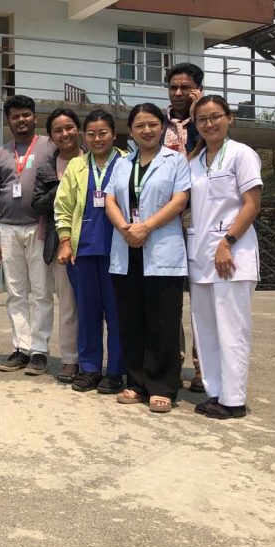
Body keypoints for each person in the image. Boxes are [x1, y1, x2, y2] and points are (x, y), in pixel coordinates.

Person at [104, 104, 191, 413]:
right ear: (131, 129)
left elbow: (180, 200)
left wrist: (146, 227)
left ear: (162, 127)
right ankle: (136, 382)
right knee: (131, 318)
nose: (147, 130)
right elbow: (110, 199)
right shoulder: (122, 163)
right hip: (126, 246)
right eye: (140, 125)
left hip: (160, 247)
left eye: (153, 124)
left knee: (163, 320)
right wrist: (126, 228)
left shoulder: (176, 160)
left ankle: (163, 385)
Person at [187, 96, 263, 419]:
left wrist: (227, 241)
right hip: (201, 256)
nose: (209, 124)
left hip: (232, 254)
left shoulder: (241, 154)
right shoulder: (194, 161)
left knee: (232, 329)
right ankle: (215, 392)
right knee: (205, 330)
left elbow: (251, 205)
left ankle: (234, 400)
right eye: (202, 119)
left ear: (229, 118)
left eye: (215, 117)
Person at [52, 109, 127, 394]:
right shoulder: (76, 166)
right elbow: (63, 205)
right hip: (82, 251)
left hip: (118, 251)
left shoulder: (125, 163)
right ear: (85, 136)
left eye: (103, 133)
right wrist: (65, 240)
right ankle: (90, 367)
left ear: (114, 134)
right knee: (87, 311)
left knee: (117, 313)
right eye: (92, 134)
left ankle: (117, 370)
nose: (97, 138)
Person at [0, 94, 56, 375]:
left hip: (39, 226)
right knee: (15, 292)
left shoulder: (50, 147)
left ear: (35, 117)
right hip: (8, 229)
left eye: (26, 115)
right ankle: (21, 348)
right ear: (8, 121)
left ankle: (39, 350)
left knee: (41, 292)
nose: (21, 120)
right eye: (15, 116)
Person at [32, 108, 84, 383]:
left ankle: (95, 360)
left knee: (94, 305)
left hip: (91, 241)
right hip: (58, 241)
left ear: (79, 128)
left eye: (69, 127)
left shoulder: (94, 160)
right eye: (58, 130)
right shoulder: (46, 168)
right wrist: (62, 187)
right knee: (67, 303)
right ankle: (69, 360)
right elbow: (37, 204)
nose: (65, 134)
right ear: (51, 137)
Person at [163, 62, 205, 393]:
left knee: (202, 293)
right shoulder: (155, 123)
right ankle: (171, 362)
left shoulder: (207, 122)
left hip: (199, 215)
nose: (178, 93)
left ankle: (204, 365)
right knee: (169, 294)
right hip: (164, 217)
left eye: (185, 88)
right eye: (173, 87)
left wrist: (197, 111)